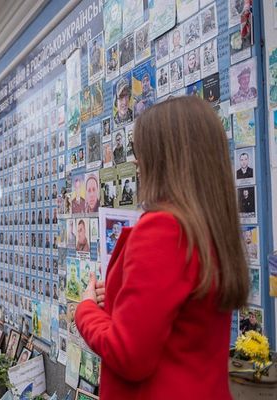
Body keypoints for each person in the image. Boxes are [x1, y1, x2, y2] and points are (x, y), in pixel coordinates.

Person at [75, 96, 249, 399]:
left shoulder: (163, 229)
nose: (136, 162)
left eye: (141, 151)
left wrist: (87, 309)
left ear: (165, 157)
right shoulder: (211, 228)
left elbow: (129, 355)